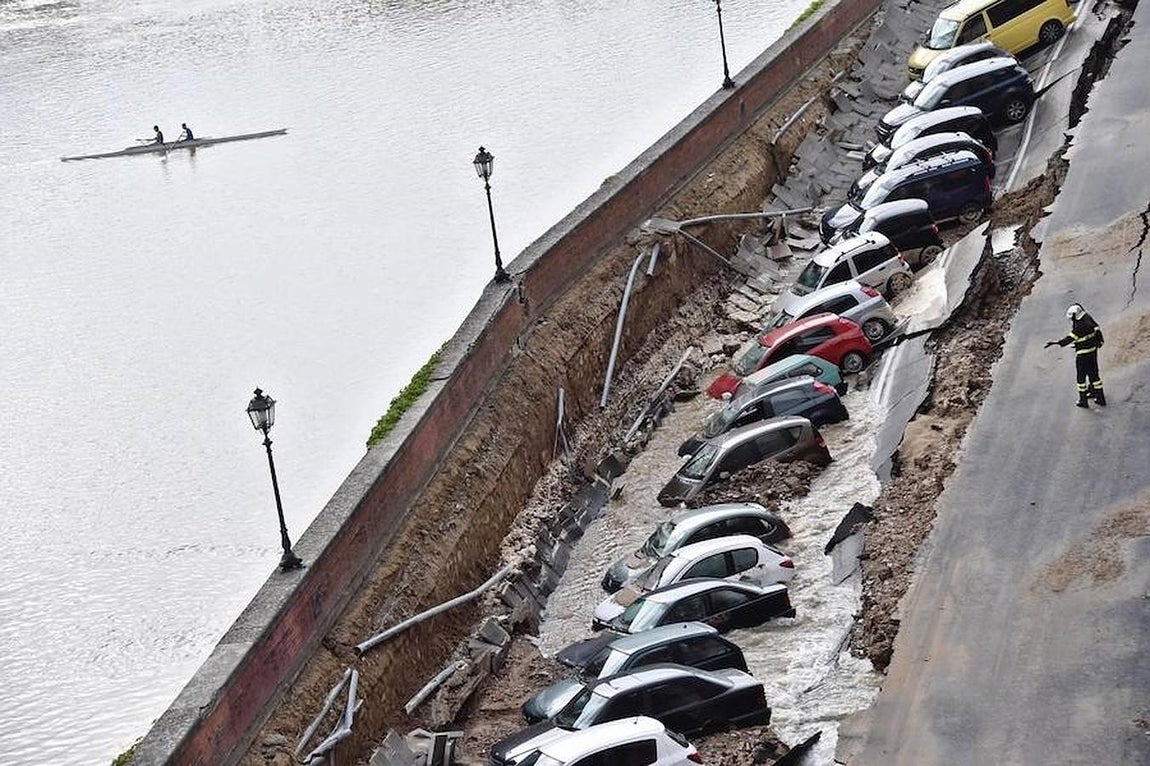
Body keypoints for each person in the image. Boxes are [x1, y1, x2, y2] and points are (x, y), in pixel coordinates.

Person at [1044, 303, 1105, 408]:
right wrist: (1099, 342)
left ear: (1074, 315)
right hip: (1093, 352)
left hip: (1083, 355)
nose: (1072, 321)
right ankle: (1099, 397)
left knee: (1081, 379)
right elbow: (1096, 329)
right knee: (1094, 375)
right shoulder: (1087, 317)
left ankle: (1083, 400)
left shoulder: (1079, 326)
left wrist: (1056, 343)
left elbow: (1069, 339)